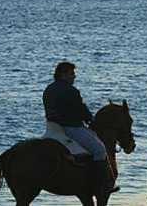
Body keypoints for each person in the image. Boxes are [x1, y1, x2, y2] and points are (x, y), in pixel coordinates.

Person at [43, 61, 119, 193]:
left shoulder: (48, 89)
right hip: (70, 127)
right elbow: (81, 110)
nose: (74, 76)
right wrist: (91, 120)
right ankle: (101, 186)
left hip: (52, 128)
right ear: (63, 74)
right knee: (100, 150)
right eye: (71, 74)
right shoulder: (71, 90)